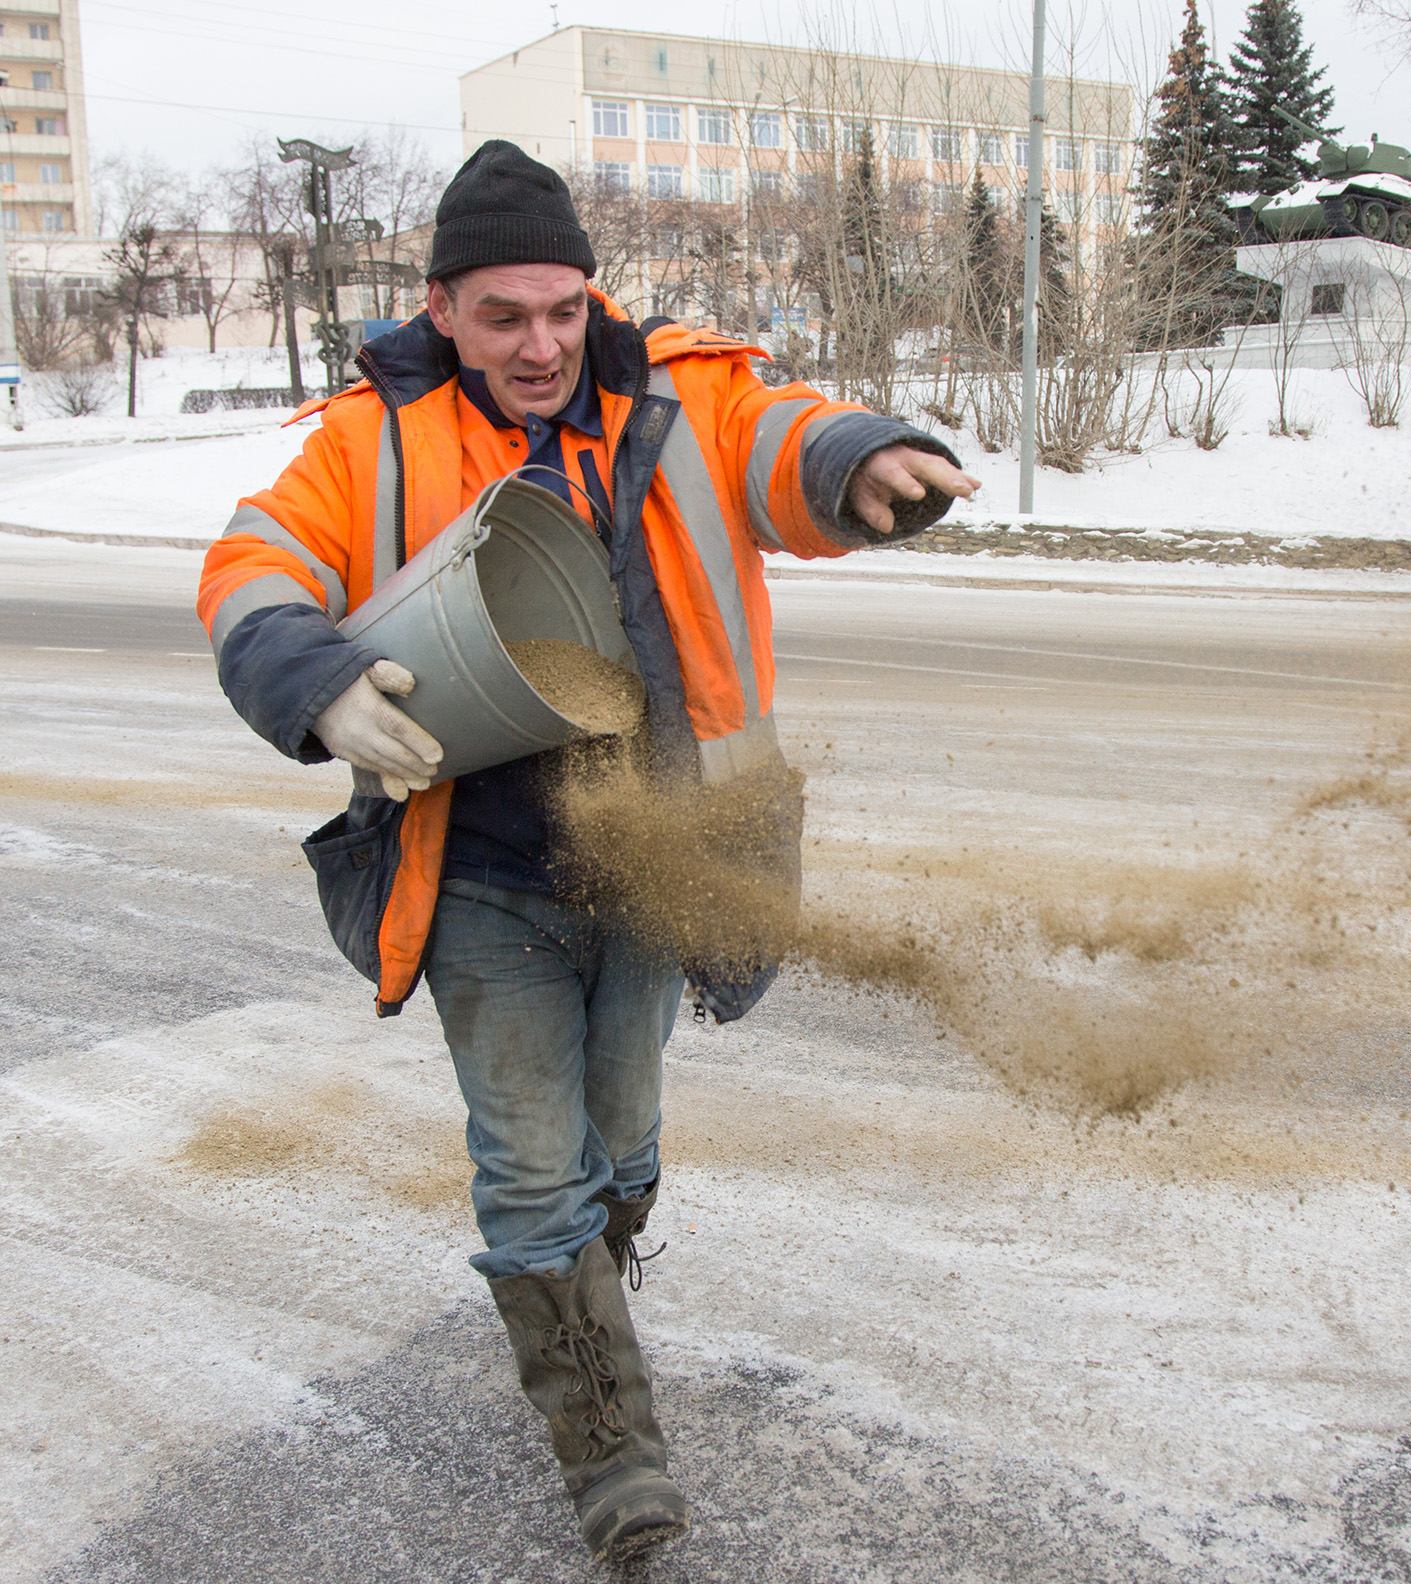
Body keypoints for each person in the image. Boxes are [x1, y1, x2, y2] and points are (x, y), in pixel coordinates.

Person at [196, 140, 980, 1564]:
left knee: (622, 1140)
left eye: (563, 310)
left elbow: (787, 439)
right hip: (483, 875)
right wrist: (310, 677)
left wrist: (864, 458)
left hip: (659, 859)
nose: (541, 344)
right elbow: (254, 562)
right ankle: (607, 1435)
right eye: (503, 317)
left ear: (589, 296)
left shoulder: (679, 401)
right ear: (443, 307)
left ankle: (588, 1288)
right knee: (531, 1164)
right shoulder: (372, 442)